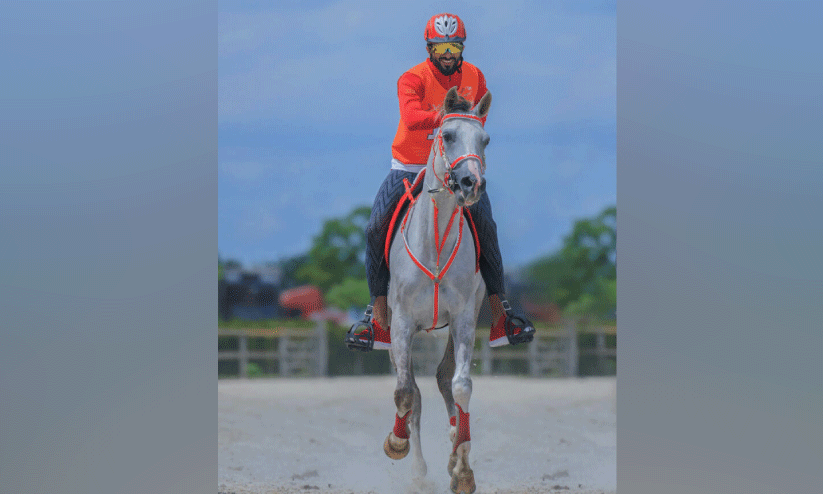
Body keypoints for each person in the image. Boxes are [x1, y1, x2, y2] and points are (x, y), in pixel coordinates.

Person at [345, 13, 534, 351]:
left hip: (454, 168)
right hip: (410, 166)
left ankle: (501, 314)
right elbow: (410, 117)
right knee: (375, 227)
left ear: (462, 48)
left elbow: (475, 122)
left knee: (487, 225)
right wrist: (444, 117)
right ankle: (377, 316)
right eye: (441, 47)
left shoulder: (475, 76)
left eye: (454, 47)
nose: (448, 54)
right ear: (429, 48)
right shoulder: (412, 78)